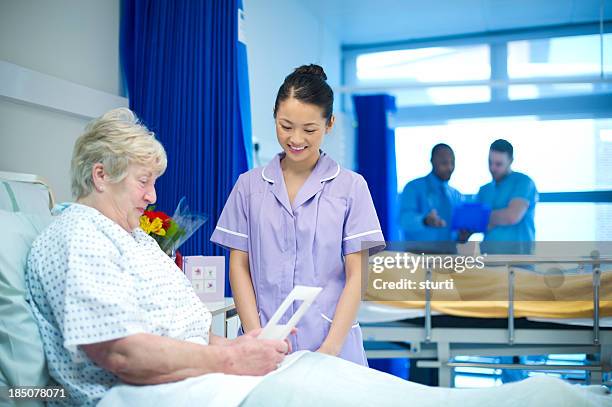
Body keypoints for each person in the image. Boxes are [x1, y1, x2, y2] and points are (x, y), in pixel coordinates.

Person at [25, 108, 292, 406]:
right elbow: (122, 354)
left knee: (307, 376)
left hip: (191, 381)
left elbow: (185, 332)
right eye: (143, 181)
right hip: (136, 394)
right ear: (100, 175)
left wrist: (239, 346)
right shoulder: (79, 237)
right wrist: (232, 359)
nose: (152, 196)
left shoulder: (136, 239)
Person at [211, 64, 385, 366]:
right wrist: (258, 337)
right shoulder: (249, 186)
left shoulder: (351, 187)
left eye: (309, 130)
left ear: (329, 124)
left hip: (333, 347)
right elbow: (239, 266)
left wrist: (330, 348)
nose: (296, 139)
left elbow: (357, 275)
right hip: (264, 345)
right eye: (285, 126)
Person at [477, 139, 538, 255]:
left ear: (510, 161)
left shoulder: (524, 182)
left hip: (519, 264)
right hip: (488, 263)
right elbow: (473, 224)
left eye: (498, 164)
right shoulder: (484, 190)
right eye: (490, 162)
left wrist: (482, 217)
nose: (492, 168)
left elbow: (512, 216)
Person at [399, 144, 465, 246]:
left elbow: (456, 233)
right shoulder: (413, 188)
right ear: (432, 162)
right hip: (419, 256)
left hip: (449, 256)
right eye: (444, 163)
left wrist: (463, 235)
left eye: (452, 162)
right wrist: (425, 220)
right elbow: (403, 220)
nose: (449, 167)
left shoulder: (456, 195)